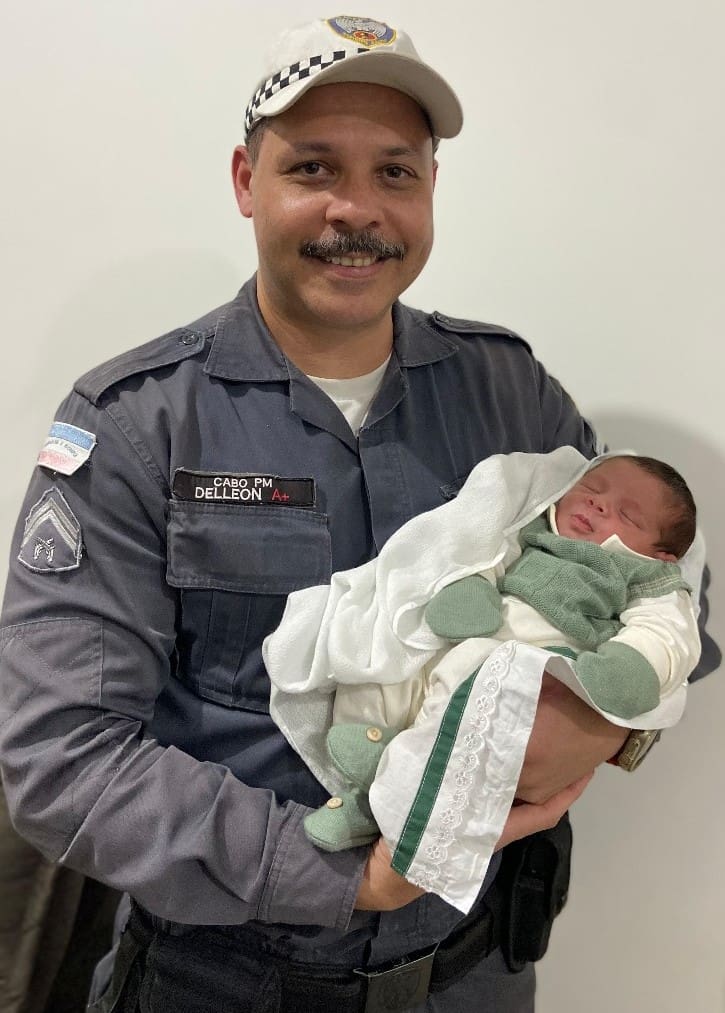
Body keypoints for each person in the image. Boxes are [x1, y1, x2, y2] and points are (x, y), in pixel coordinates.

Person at [0, 14, 715, 1013]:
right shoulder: (135, 425)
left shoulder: (508, 392)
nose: (356, 209)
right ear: (248, 181)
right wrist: (346, 875)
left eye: (394, 172)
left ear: (429, 191)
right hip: (226, 980)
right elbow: (59, 753)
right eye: (313, 168)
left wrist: (607, 724)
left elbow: (654, 579)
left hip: (478, 969)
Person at [265, 449, 701, 913]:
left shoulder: (647, 578)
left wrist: (628, 669)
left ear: (661, 555)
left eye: (626, 514)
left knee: (468, 678)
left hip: (533, 668)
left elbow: (667, 633)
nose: (597, 505)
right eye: (592, 490)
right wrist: (472, 585)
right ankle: (372, 771)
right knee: (381, 668)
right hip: (462, 642)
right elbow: (488, 546)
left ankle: (383, 799)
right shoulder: (536, 527)